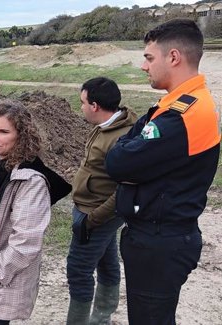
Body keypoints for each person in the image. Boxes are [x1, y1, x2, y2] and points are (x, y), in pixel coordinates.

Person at [106, 19, 221, 324]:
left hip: (160, 242)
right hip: (158, 236)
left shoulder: (184, 116)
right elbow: (131, 144)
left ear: (173, 57)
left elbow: (117, 162)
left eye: (148, 57)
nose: (144, 67)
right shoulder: (178, 105)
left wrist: (126, 150)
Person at [0, 99, 71, 324]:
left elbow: (27, 241)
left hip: (0, 280)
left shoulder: (30, 181)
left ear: (21, 136)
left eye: (3, 131)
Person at [66, 77, 137, 324]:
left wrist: (93, 219)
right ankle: (103, 317)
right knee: (107, 262)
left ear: (95, 105)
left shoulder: (121, 138)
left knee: (78, 271)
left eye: (83, 102)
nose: (81, 107)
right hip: (92, 209)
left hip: (96, 213)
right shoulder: (107, 125)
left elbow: (124, 189)